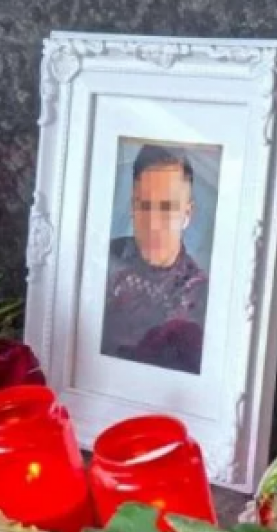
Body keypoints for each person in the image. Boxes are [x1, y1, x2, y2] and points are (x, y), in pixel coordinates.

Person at [101, 145, 209, 374]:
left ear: (187, 214)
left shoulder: (202, 297)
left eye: (167, 208)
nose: (154, 223)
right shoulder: (101, 259)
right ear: (133, 207)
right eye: (145, 206)